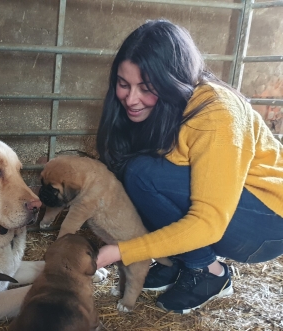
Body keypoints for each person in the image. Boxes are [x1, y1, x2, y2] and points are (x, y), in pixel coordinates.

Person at [94, 19, 283, 314]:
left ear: (171, 80)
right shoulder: (161, 108)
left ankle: (210, 273)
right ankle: (179, 260)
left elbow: (208, 222)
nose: (131, 99)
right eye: (123, 84)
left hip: (267, 224)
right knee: (137, 171)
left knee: (142, 175)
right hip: (237, 209)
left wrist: (124, 251)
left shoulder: (218, 114)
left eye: (145, 87)